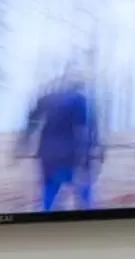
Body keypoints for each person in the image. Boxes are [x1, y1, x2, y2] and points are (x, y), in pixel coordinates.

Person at [24, 68, 101, 212]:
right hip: (71, 156)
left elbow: (32, 121)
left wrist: (25, 143)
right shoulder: (80, 101)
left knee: (48, 195)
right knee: (84, 195)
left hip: (48, 156)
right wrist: (88, 155)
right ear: (79, 86)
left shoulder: (46, 98)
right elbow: (84, 130)